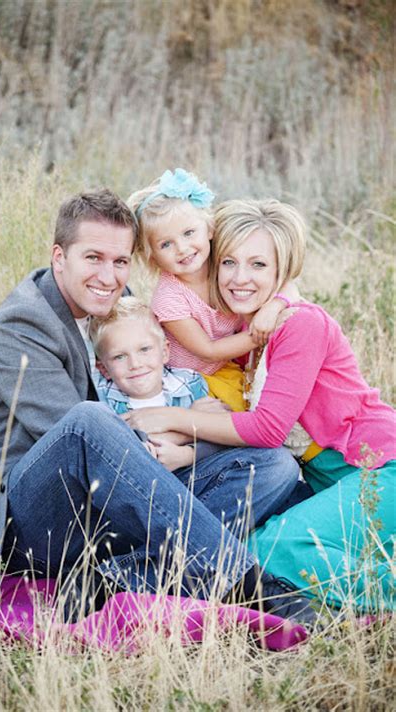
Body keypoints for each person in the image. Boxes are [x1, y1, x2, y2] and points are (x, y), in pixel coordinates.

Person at [0, 189, 313, 622]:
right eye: (94, 258)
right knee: (87, 419)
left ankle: (116, 579)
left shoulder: (119, 307)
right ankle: (243, 581)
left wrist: (281, 300)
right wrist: (192, 427)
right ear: (59, 256)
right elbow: (87, 440)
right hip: (36, 517)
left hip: (121, 496)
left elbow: (236, 277)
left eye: (120, 261)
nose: (109, 275)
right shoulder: (22, 325)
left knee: (273, 465)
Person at [123, 198, 396, 612]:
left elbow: (267, 429)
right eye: (229, 263)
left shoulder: (299, 323)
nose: (239, 279)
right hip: (334, 480)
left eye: (258, 266)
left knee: (272, 549)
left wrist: (170, 417)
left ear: (280, 271)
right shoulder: (243, 336)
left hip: (378, 466)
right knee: (251, 549)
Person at [127, 169, 297, 411]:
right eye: (166, 244)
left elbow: (288, 284)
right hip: (194, 379)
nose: (183, 248)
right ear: (152, 256)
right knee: (249, 414)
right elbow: (208, 351)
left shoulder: (225, 265)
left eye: (188, 233)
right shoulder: (169, 298)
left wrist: (273, 309)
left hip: (228, 366)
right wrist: (260, 332)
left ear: (209, 229)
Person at [90, 295, 223, 472]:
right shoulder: (101, 401)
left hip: (193, 476)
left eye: (144, 349)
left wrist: (187, 454)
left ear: (165, 352)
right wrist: (190, 428)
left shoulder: (190, 385)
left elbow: (220, 437)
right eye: (119, 357)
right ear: (104, 369)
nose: (135, 364)